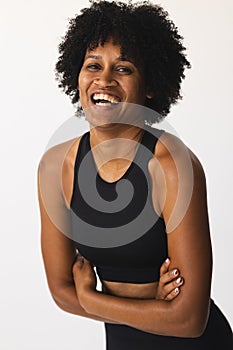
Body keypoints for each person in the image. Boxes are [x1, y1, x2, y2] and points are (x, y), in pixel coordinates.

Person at [38, 1, 233, 349]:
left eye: (123, 68)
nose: (104, 79)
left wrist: (92, 297)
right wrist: (152, 308)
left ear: (150, 85)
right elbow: (61, 292)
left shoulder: (173, 165)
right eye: (93, 65)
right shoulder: (57, 166)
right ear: (77, 76)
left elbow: (189, 320)